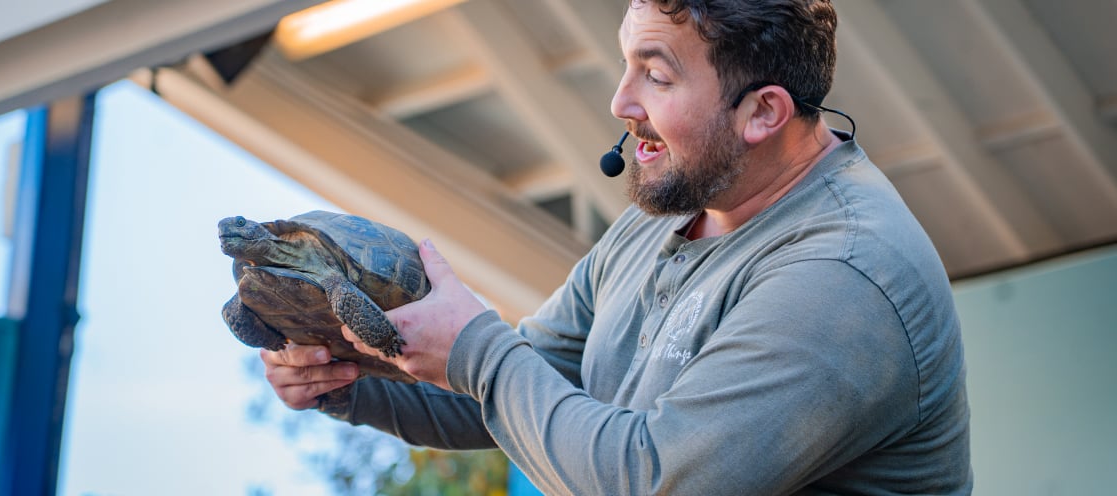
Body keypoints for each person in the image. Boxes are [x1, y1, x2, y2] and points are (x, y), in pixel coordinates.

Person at [260, 0, 972, 494]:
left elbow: (648, 480)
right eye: (626, 65)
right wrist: (349, 380)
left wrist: (475, 346)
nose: (621, 103)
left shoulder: (843, 274)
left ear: (764, 111)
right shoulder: (669, 211)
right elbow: (512, 392)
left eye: (657, 76)